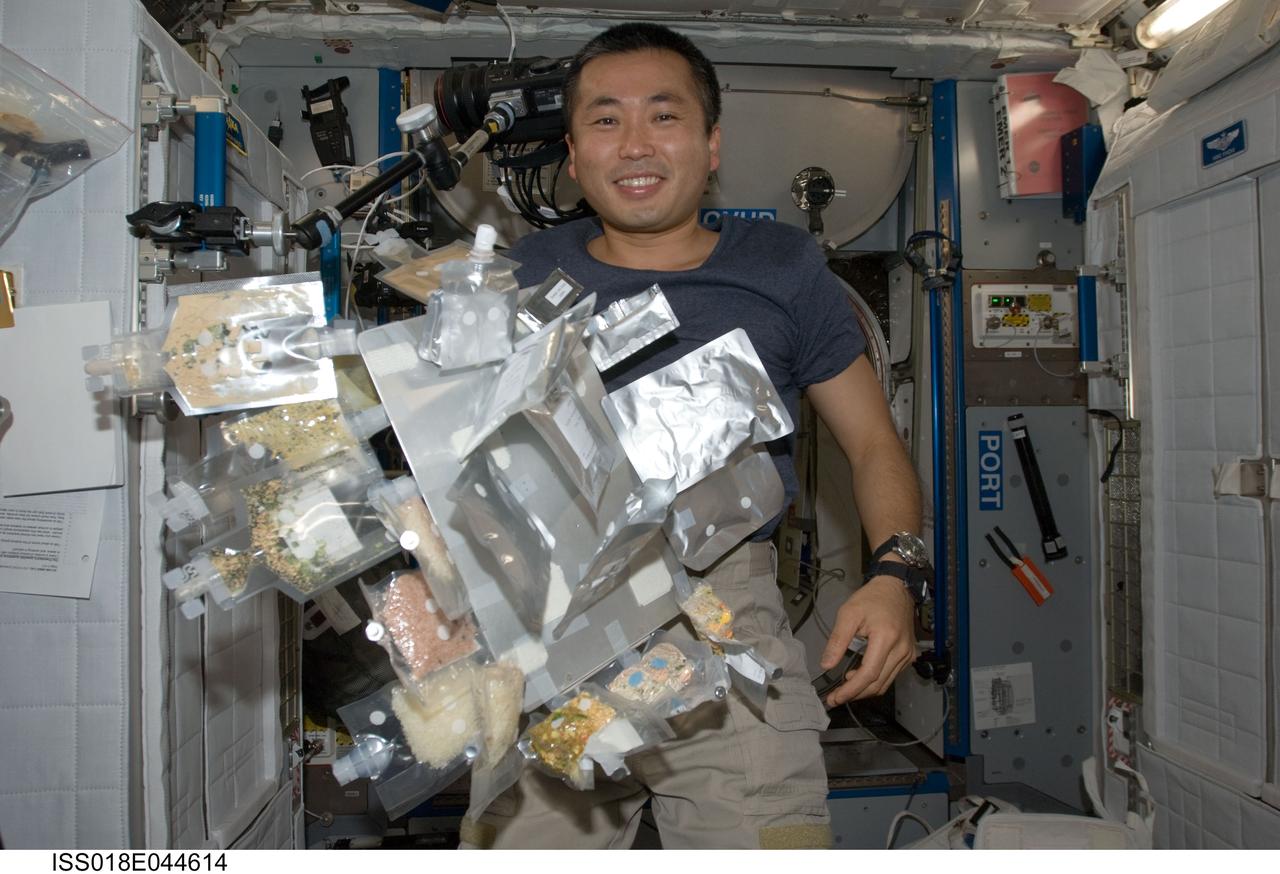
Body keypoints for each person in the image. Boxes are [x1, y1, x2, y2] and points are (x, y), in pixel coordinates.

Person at [460, 22, 924, 850]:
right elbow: (464, 460)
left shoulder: (781, 269)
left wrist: (896, 576)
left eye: (663, 116)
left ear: (712, 145)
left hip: (723, 618)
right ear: (572, 154)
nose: (634, 144)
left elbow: (874, 444)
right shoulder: (523, 277)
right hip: (549, 626)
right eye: (606, 120)